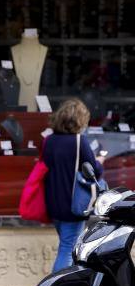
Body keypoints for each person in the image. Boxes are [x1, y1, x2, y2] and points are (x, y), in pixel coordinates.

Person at [42, 98, 103, 272]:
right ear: (79, 120)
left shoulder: (50, 141)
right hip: (73, 204)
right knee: (67, 249)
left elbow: (45, 165)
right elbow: (94, 171)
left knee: (66, 244)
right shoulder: (79, 141)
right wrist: (100, 161)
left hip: (53, 203)